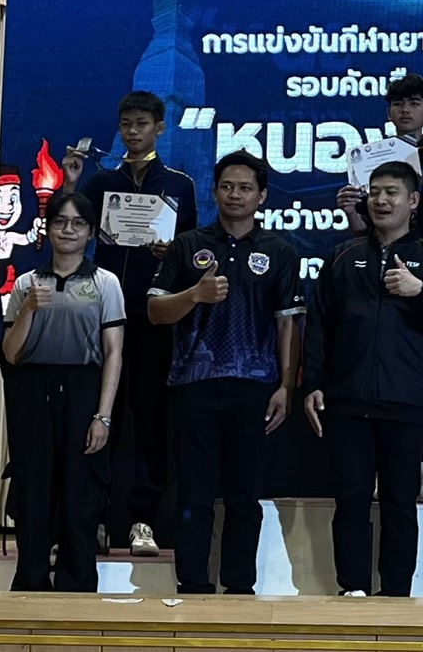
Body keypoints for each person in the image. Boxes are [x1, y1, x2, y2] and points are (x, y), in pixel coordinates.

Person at [303, 161, 423, 596]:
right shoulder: (342, 256)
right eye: (375, 192)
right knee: (351, 499)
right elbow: (319, 324)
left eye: (392, 192)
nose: (381, 200)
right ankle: (352, 590)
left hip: (407, 401)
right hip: (346, 399)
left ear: (413, 200)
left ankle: (396, 594)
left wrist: (421, 294)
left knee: (400, 502)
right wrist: (313, 383)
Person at [147, 151, 303, 595]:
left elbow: (289, 323)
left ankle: (239, 587)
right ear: (214, 191)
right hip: (193, 384)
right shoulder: (187, 245)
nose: (236, 195)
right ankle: (192, 584)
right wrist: (194, 294)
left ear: (262, 196)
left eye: (245, 188)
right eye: (227, 186)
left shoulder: (279, 251)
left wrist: (286, 386)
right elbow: (155, 311)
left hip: (254, 386)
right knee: (194, 494)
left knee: (243, 496)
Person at [62, 90, 197, 557]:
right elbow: (69, 232)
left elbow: (193, 255)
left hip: (155, 320)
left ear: (160, 128)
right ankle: (95, 518)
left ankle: (144, 520)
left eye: (141, 124)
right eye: (126, 125)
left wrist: (171, 253)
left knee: (152, 421)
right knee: (100, 416)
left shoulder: (178, 184)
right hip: (103, 316)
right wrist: (71, 183)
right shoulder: (101, 182)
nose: (133, 132)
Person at [336, 72, 423, 502]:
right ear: (389, 112)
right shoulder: (370, 159)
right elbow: (360, 228)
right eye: (398, 104)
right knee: (379, 370)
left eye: (414, 104)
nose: (405, 110)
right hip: (378, 268)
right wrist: (349, 209)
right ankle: (386, 468)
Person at [2, 192, 124, 592]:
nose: (68, 230)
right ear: (48, 229)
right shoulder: (26, 284)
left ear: (90, 232)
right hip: (34, 392)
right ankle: (31, 579)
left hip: (84, 390)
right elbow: (11, 353)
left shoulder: (105, 283)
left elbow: (113, 352)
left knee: (81, 492)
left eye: (78, 223)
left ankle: (78, 582)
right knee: (33, 488)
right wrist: (28, 309)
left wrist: (103, 416)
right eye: (60, 222)